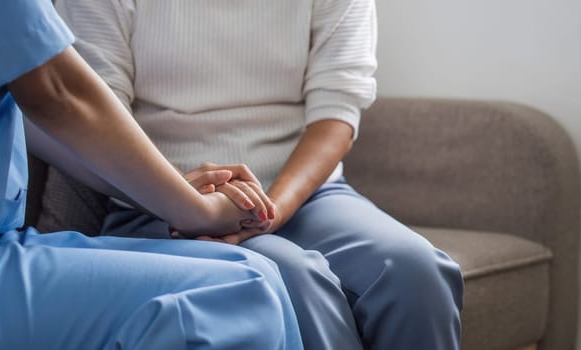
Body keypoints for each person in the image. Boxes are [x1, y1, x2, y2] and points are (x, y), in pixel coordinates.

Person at [55, 0, 465, 349]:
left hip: (308, 198)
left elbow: (336, 114)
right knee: (293, 279)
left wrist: (273, 210)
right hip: (157, 204)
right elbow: (97, 118)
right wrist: (190, 204)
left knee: (417, 272)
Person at [0, 0, 304, 349]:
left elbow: (36, 114)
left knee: (255, 271)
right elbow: (57, 91)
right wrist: (195, 211)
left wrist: (176, 195)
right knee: (238, 293)